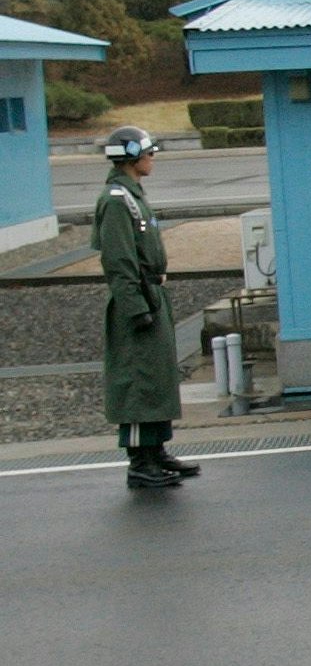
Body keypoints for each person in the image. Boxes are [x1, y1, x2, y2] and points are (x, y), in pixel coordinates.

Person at [93, 127, 193, 492]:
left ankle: (157, 449)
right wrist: (135, 307)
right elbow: (119, 261)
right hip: (136, 298)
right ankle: (139, 461)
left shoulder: (133, 196)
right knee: (136, 381)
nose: (153, 158)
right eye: (149, 153)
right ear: (133, 156)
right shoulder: (118, 200)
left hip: (151, 292)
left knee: (157, 379)